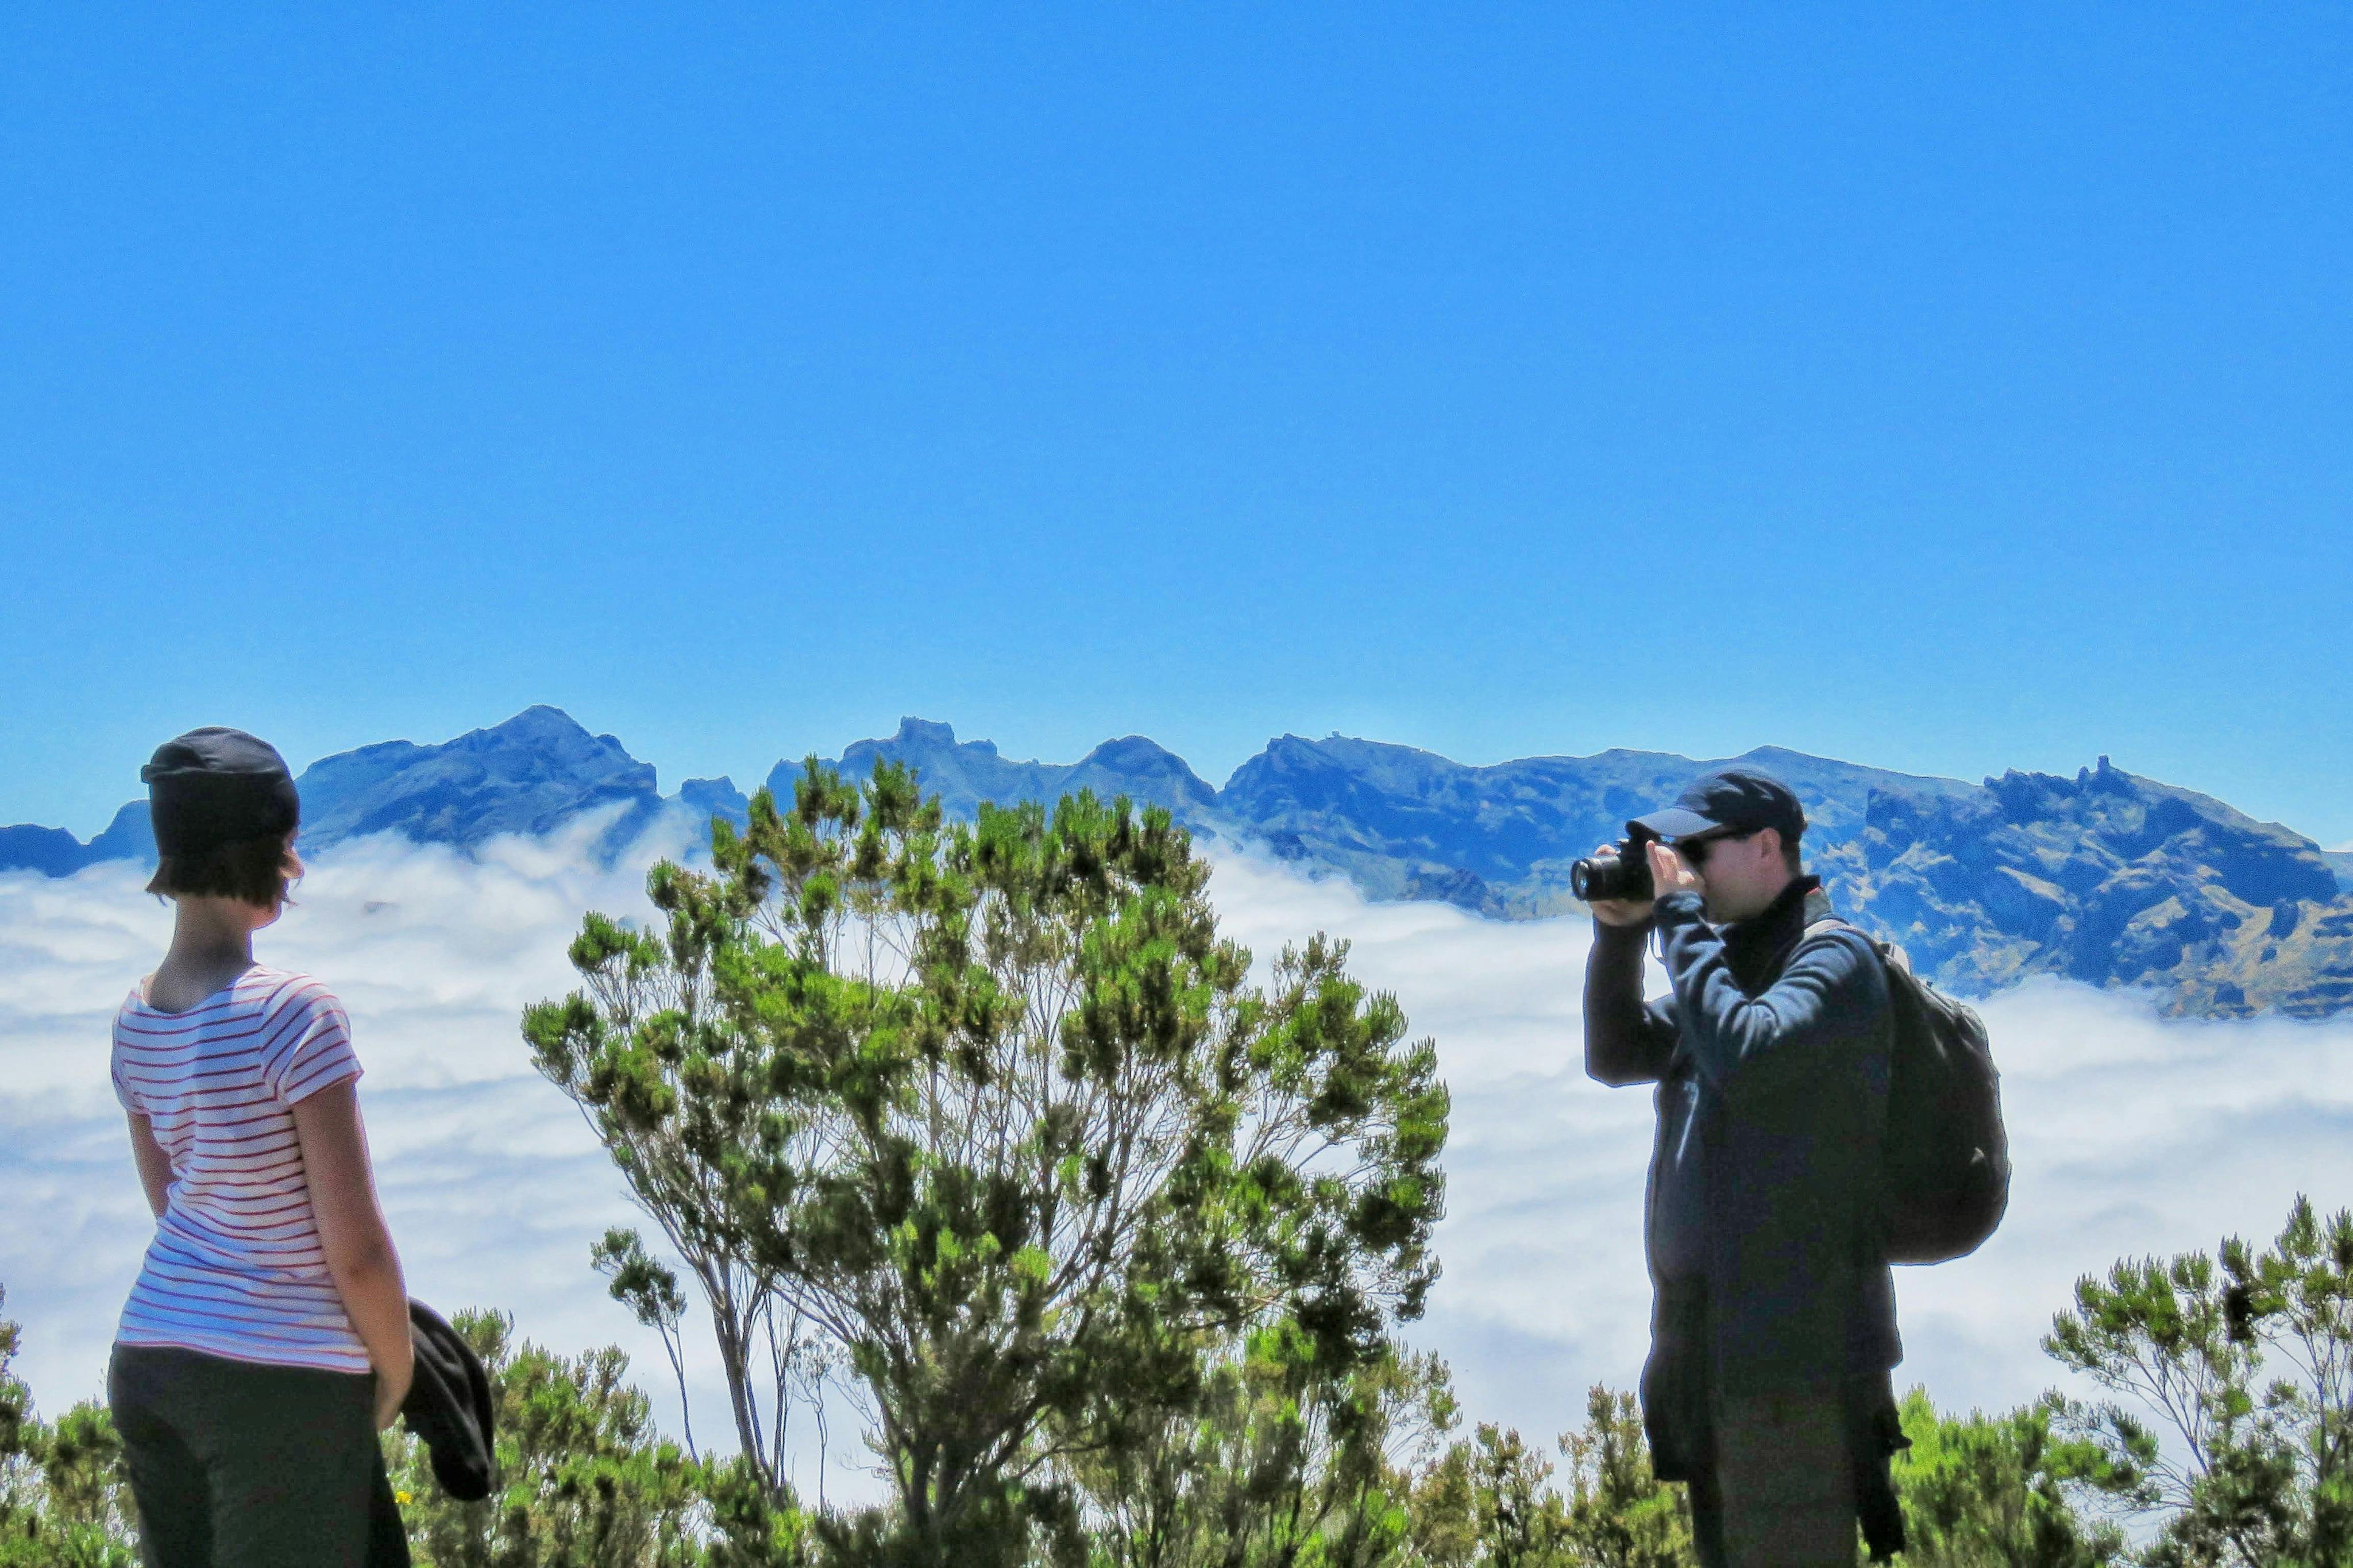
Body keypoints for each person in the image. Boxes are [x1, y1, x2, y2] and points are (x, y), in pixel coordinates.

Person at [1581, 766, 1904, 1566]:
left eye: (1695, 850)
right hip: (1711, 1362)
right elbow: (1616, 1053)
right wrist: (1619, 934)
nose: (1680, 869)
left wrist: (1679, 919)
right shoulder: (1737, 970)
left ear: (1766, 847)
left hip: (1797, 1377)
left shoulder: (1834, 964)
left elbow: (1748, 1059)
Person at [106, 728, 413, 1568]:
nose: (297, 866)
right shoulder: (294, 1015)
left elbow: (173, 1205)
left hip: (149, 1364)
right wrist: (397, 1371)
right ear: (258, 853)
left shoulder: (135, 1021)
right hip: (276, 1384)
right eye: (287, 844)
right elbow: (357, 1249)